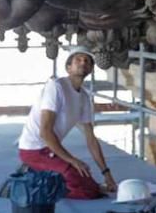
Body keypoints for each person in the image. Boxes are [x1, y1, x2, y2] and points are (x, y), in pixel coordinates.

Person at [17, 46, 117, 199]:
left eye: (87, 61)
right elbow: (45, 132)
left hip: (50, 149)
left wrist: (106, 173)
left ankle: (47, 173)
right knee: (87, 190)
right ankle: (36, 174)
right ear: (68, 67)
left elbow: (91, 139)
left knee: (86, 178)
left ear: (90, 69)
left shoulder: (84, 98)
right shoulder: (56, 87)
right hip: (34, 149)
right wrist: (72, 160)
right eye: (78, 59)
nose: (83, 62)